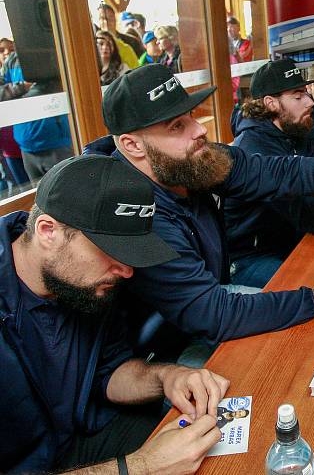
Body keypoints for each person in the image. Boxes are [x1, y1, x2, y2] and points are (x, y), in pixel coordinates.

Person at [84, 64, 314, 367]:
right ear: (133, 145)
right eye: (177, 126)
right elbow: (210, 313)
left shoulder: (188, 161)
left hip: (209, 305)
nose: (199, 130)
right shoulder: (134, 214)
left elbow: (273, 171)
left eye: (192, 116)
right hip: (164, 357)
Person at [1, 154, 230, 474]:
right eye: (110, 252)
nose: (125, 271)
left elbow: (109, 371)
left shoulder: (84, 284)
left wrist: (167, 377)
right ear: (48, 231)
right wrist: (139, 467)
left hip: (80, 439)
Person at [224, 59, 314, 287]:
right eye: (297, 96)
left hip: (293, 242)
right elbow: (312, 218)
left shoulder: (297, 129)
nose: (309, 102)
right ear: (271, 103)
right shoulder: (253, 150)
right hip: (251, 259)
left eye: (306, 92)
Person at [2, 40, 73, 180]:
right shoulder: (12, 60)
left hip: (58, 145)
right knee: (37, 197)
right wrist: (20, 87)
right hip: (26, 147)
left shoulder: (54, 54)